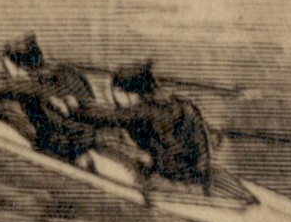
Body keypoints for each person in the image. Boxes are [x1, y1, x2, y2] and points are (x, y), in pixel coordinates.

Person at [69, 62, 214, 192]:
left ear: (121, 92)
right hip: (198, 180)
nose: (116, 103)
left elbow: (106, 118)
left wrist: (73, 110)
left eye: (115, 94)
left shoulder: (144, 111)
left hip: (172, 184)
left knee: (89, 160)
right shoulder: (181, 106)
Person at [0, 34, 98, 163]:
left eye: (8, 70)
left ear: (17, 67)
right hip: (87, 143)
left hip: (63, 152)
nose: (11, 76)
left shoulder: (30, 83)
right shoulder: (69, 72)